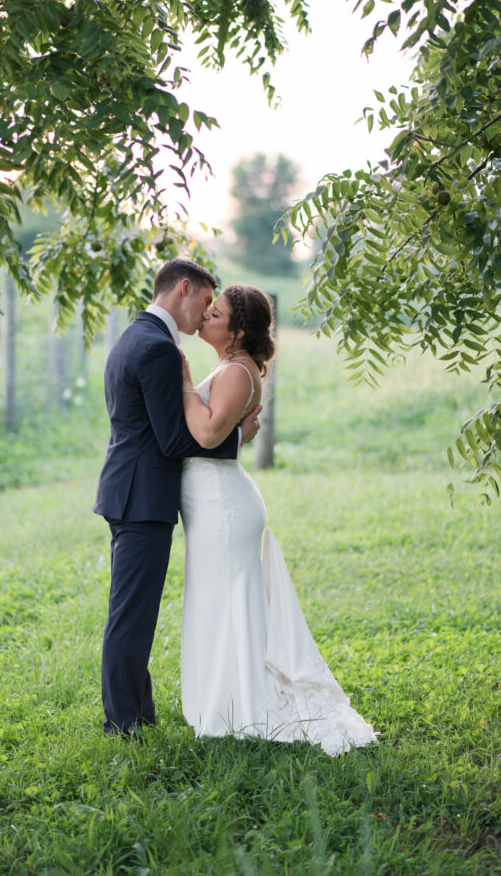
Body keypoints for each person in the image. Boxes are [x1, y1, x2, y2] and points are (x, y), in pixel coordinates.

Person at [180, 283, 377, 755]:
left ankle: (241, 705)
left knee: (228, 604)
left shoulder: (235, 371)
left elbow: (207, 434)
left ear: (238, 330)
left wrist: (184, 381)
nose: (206, 315)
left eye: (217, 312)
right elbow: (222, 433)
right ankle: (224, 700)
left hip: (223, 508)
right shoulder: (230, 367)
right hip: (213, 503)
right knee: (216, 602)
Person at [93, 260, 262, 736]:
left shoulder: (136, 335)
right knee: (132, 614)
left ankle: (137, 711)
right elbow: (171, 440)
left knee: (134, 610)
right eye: (206, 301)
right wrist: (235, 440)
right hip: (143, 496)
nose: (205, 313)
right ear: (184, 288)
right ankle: (122, 723)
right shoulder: (159, 349)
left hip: (129, 490)